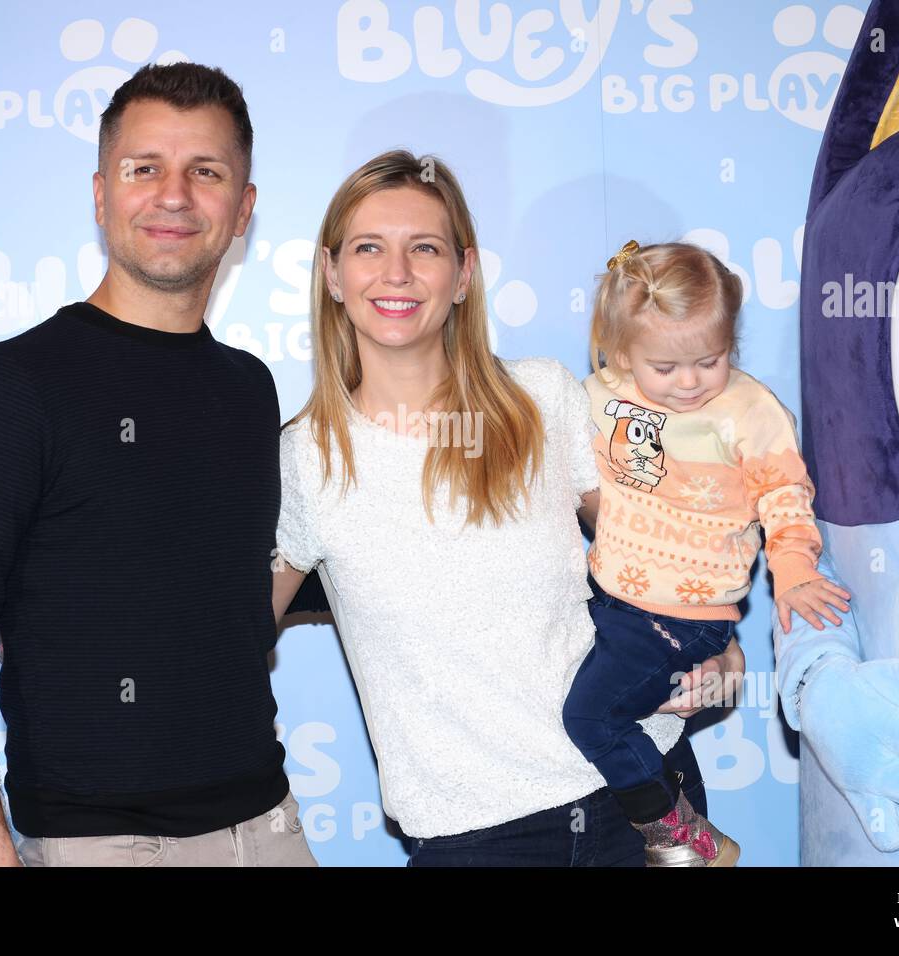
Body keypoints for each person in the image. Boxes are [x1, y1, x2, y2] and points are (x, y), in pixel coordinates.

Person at [0, 62, 316, 867]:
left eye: (206, 171)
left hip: (269, 829)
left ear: (243, 209)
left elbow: (228, 600)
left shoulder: (249, 389)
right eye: (144, 168)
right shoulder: (14, 386)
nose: (174, 195)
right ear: (100, 193)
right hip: (98, 845)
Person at [269, 151, 745, 866]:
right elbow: (230, 640)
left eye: (423, 248)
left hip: (639, 799)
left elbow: (658, 551)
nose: (396, 272)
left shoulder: (543, 399)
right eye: (369, 248)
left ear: (462, 276)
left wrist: (719, 645)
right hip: (475, 837)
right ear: (333, 275)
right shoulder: (306, 459)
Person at [562, 240, 852, 865]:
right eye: (665, 367)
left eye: (710, 360)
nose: (689, 382)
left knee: (590, 719)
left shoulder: (750, 412)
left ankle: (684, 837)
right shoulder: (598, 394)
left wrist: (796, 569)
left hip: (686, 620)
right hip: (610, 601)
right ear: (619, 352)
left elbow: (784, 494)